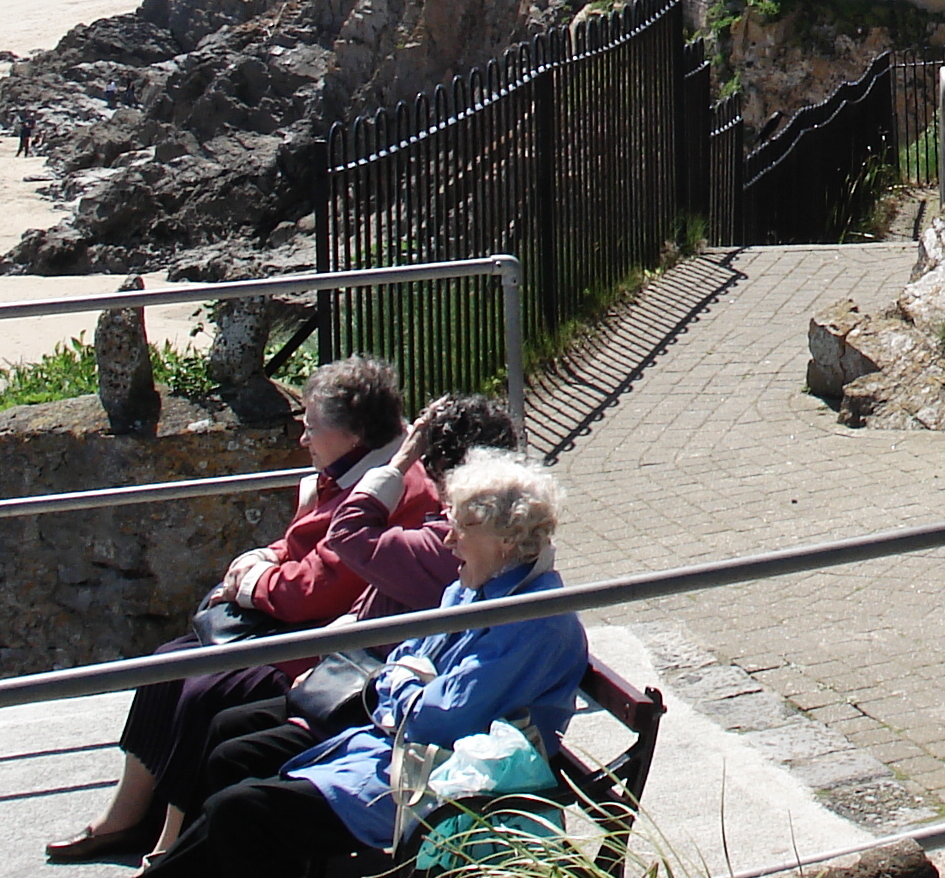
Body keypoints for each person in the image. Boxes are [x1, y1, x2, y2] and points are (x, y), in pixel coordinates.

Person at [143, 453, 585, 878]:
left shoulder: (531, 621)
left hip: (437, 784)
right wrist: (403, 690)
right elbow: (399, 665)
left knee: (241, 811)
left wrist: (398, 693)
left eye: (463, 527)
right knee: (234, 771)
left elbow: (437, 718)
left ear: (507, 540)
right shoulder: (470, 590)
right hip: (395, 754)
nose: (448, 540)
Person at [45, 359, 415, 865]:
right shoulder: (348, 471)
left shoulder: (390, 488)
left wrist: (251, 583)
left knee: (203, 691)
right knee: (165, 665)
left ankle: (172, 843)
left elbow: (318, 589)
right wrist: (265, 559)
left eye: (312, 428)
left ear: (352, 435)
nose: (303, 440)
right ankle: (127, 817)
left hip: (316, 638)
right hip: (289, 621)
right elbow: (301, 547)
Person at [174, 395, 522, 819]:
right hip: (359, 679)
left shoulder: (443, 546)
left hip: (366, 701)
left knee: (222, 737)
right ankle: (169, 840)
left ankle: (173, 843)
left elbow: (348, 534)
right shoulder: (454, 539)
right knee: (214, 718)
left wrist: (401, 458)